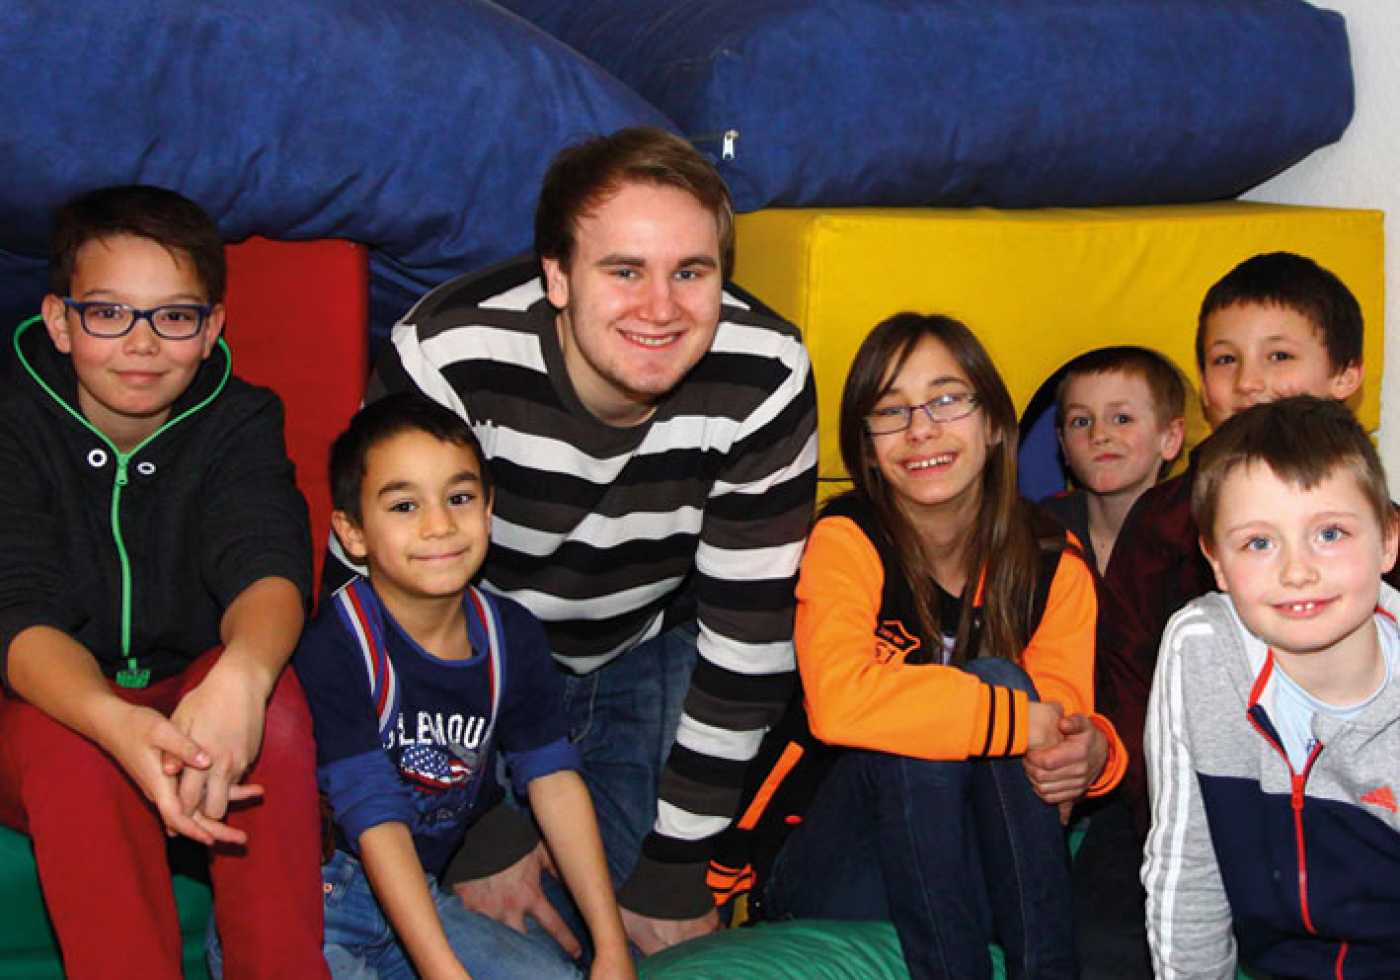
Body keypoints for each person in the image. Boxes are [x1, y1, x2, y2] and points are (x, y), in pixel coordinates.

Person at [327, 127, 818, 954]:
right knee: (518, 935)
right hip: (470, 669)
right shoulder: (450, 355)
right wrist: (486, 833)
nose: (660, 308)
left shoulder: (763, 370)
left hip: (641, 650)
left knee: (656, 941)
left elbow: (750, 637)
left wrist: (676, 868)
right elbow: (363, 609)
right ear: (556, 275)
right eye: (624, 270)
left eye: (691, 272)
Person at [727, 313, 1125, 979]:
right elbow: (838, 704)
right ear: (867, 446)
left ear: (993, 423)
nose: (921, 429)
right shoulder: (846, 539)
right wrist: (1008, 720)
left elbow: (1059, 731)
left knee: (993, 682)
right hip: (837, 864)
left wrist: (1092, 754)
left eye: (947, 399)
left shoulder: (1052, 560)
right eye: (891, 411)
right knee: (921, 726)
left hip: (982, 861)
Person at [0, 185, 326, 978]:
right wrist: (114, 723)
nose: (141, 344)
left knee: (273, 706)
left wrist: (242, 679)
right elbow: (17, 610)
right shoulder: (12, 420)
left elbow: (269, 565)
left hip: (186, 690)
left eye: (174, 316)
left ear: (211, 329)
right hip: (49, 705)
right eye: (108, 313)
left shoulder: (240, 419)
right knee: (72, 749)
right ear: (59, 321)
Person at [1088, 251, 1394, 980]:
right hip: (1207, 807)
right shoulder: (1180, 579)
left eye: (1278, 356)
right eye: (1227, 360)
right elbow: (1133, 701)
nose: (1250, 381)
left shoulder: (1363, 554)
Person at [290, 394, 632, 979]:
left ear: (489, 509)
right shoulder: (337, 643)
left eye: (460, 498)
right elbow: (374, 815)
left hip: (421, 896)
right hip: (321, 903)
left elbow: (554, 781)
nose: (440, 525)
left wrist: (612, 947)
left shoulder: (510, 635)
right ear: (352, 532)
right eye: (404, 505)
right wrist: (444, 971)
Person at [1143, 395, 1400, 978]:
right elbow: (1188, 866)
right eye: (1259, 543)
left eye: (1330, 533)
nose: (1296, 571)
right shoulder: (1203, 647)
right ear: (1216, 561)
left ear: (1388, 539)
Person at [1042, 345, 1185, 575]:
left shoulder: (1192, 542)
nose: (1099, 435)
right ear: (1063, 445)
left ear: (1170, 438)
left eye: (1122, 419)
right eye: (1081, 421)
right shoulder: (1039, 533)